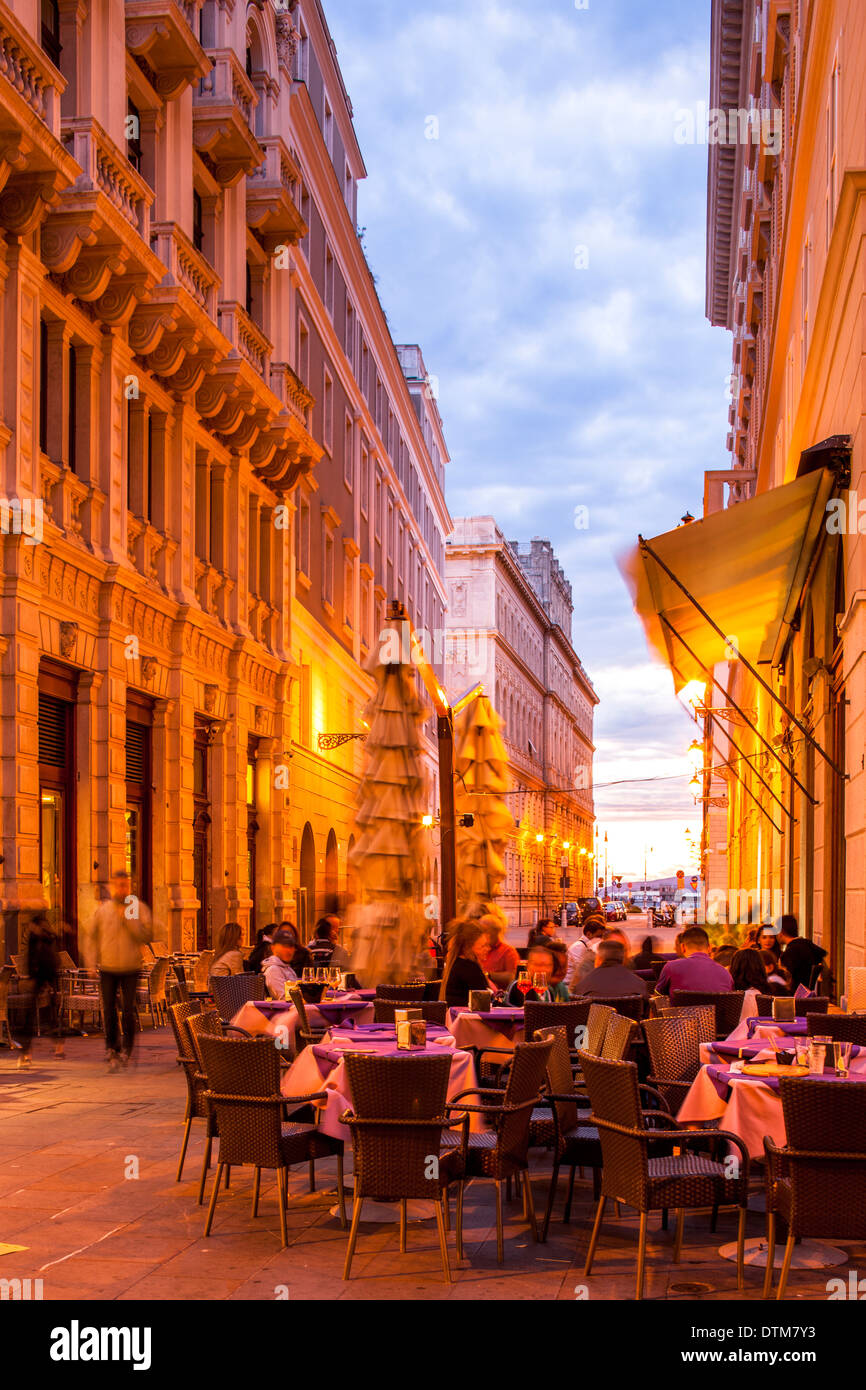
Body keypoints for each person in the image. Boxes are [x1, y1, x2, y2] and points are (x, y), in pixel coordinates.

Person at [80, 872, 153, 1070]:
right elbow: (91, 937)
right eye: (118, 885)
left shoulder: (135, 908)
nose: (122, 889)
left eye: (125, 886)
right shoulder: (104, 910)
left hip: (131, 967)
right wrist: (90, 963)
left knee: (128, 1010)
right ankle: (112, 1047)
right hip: (108, 967)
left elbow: (145, 935)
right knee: (109, 1010)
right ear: (112, 887)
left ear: (129, 887)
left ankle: (127, 1049)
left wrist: (129, 921)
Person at [15, 913, 64, 1068]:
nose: (30, 929)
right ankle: (27, 1052)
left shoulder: (47, 938)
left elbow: (52, 960)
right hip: (38, 978)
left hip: (47, 976)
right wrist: (30, 976)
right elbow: (29, 957)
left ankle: (56, 1045)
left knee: (48, 1013)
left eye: (33, 926)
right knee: (32, 1014)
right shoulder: (34, 938)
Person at [655, 927, 733, 996]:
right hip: (716, 1012)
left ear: (682, 947)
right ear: (709, 947)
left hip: (680, 1012)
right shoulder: (725, 974)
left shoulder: (671, 967)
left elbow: (657, 997)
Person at [442, 919, 492, 1007]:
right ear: (468, 948)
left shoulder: (457, 963)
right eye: (482, 946)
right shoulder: (470, 968)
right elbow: (483, 1005)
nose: (488, 949)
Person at [574, 940, 648, 999]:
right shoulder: (639, 985)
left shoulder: (583, 985)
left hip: (597, 1017)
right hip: (630, 1017)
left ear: (600, 959)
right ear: (622, 960)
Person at [777, 915, 827, 991]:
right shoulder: (808, 945)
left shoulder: (789, 953)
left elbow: (786, 981)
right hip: (809, 992)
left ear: (781, 932)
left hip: (797, 995)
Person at [564, 917, 606, 992]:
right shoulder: (578, 947)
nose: (600, 939)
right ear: (589, 934)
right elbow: (583, 971)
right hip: (569, 986)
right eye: (598, 936)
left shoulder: (587, 946)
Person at [262, 926, 303, 999]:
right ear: (273, 948)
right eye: (284, 946)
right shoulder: (273, 970)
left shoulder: (287, 968)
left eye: (291, 946)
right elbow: (285, 998)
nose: (289, 950)